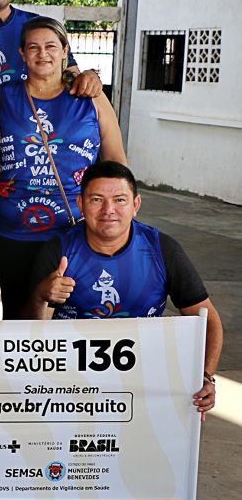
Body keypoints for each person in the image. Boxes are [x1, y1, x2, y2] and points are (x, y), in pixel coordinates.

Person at [27, 161, 222, 415]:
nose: (108, 210)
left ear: (136, 205)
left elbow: (208, 320)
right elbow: (31, 336)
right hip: (71, 381)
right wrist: (41, 297)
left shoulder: (162, 249)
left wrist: (205, 377)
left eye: (120, 200)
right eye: (97, 200)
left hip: (145, 376)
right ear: (81, 204)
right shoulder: (59, 249)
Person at [0, 17, 125, 319]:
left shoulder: (91, 98)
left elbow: (115, 162)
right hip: (12, 230)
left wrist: (117, 215)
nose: (42, 54)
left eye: (51, 46)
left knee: (73, 311)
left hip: (75, 228)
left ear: (65, 52)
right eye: (33, 47)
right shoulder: (0, 97)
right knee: (19, 313)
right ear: (22, 53)